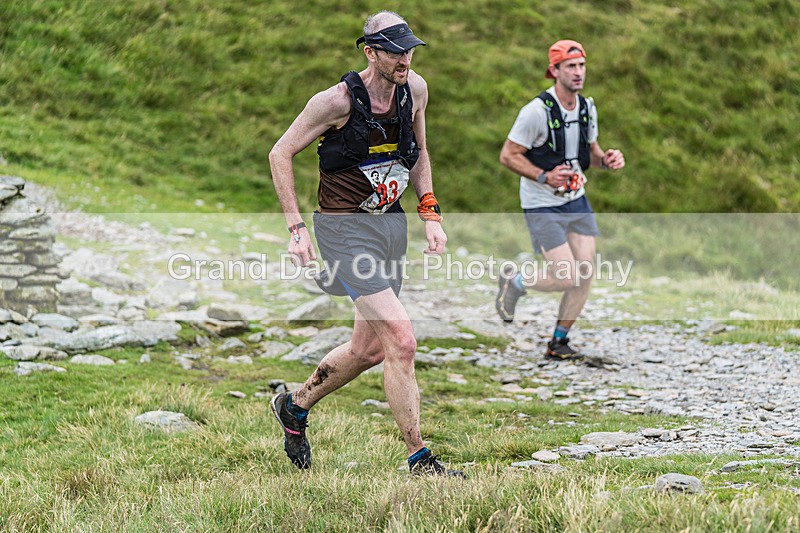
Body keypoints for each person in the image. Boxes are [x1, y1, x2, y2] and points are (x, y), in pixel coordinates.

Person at [268, 11, 463, 477]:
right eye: (395, 50)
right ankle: (421, 459)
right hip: (343, 231)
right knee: (401, 339)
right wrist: (296, 229)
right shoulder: (333, 103)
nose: (406, 58)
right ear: (369, 51)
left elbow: (419, 153)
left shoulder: (415, 90)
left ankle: (294, 407)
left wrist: (430, 212)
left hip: (387, 228)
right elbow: (280, 152)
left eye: (410, 49)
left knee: (368, 350)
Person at [495, 40, 625, 360]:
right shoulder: (535, 112)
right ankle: (515, 281)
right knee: (567, 275)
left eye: (582, 65)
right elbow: (508, 156)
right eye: (571, 67)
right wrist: (543, 176)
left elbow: (590, 155)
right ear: (554, 71)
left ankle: (558, 342)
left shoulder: (586, 108)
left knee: (586, 271)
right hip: (542, 204)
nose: (578, 72)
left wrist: (606, 160)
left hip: (576, 200)